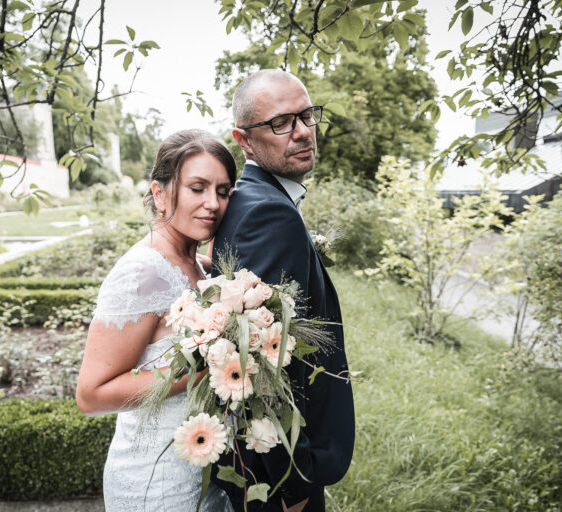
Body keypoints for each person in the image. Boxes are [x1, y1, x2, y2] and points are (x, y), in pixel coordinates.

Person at [211, 69, 355, 511]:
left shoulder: (256, 198)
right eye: (281, 123)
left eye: (307, 115)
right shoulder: (267, 214)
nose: (303, 131)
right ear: (245, 140)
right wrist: (292, 489)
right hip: (282, 478)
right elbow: (259, 368)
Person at [76, 129, 237, 512]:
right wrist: (208, 372)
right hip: (155, 482)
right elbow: (91, 395)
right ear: (160, 193)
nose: (212, 203)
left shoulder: (197, 265)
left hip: (198, 469)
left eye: (223, 191)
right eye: (197, 188)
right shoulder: (143, 272)